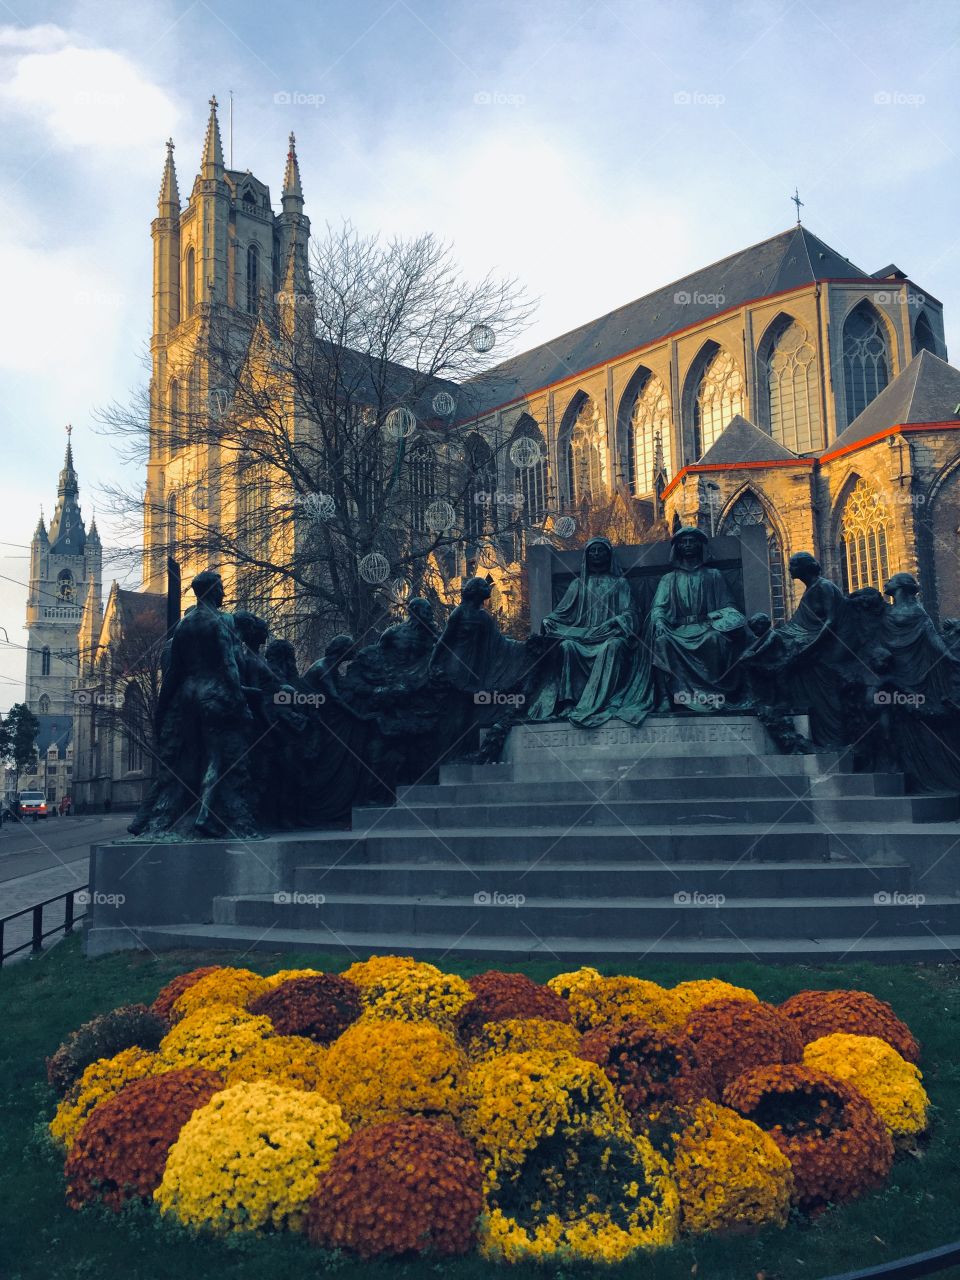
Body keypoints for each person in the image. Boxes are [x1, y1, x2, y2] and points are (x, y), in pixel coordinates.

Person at [129, 570, 257, 838]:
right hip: (214, 693)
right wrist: (239, 698)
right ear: (211, 590)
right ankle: (204, 815)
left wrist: (163, 708)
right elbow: (229, 663)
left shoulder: (185, 625)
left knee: (186, 756)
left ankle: (171, 815)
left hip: (187, 696)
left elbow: (175, 671)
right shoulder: (222, 622)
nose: (224, 592)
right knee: (216, 757)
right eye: (220, 587)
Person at [528, 536, 652, 727]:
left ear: (608, 555)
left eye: (600, 550)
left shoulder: (620, 584)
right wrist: (548, 621)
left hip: (609, 637)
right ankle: (568, 703)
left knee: (613, 646)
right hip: (582, 639)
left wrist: (614, 621)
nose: (596, 554)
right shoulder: (577, 585)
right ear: (586, 556)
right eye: (592, 551)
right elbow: (559, 614)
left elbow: (631, 613)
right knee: (567, 647)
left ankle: (604, 701)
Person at [745, 551, 849, 744]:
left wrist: (809, 647)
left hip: (819, 646)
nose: (789, 568)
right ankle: (766, 699)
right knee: (767, 647)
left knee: (775, 654)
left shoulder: (824, 587)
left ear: (805, 566)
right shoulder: (811, 589)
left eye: (793, 565)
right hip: (804, 639)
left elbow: (831, 621)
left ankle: (779, 704)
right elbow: (800, 624)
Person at [649, 526, 747, 712]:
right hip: (679, 631)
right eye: (683, 542)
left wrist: (716, 616)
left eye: (691, 541)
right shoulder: (669, 579)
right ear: (677, 548)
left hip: (706, 628)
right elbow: (658, 608)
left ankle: (715, 695)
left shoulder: (713, 576)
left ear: (699, 546)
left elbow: (730, 606)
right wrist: (660, 621)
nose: (687, 545)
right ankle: (665, 698)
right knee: (661, 642)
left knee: (715, 639)